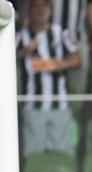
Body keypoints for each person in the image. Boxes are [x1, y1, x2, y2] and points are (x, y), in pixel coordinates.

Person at [17, 0, 81, 156]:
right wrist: (23, 53)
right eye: (35, 6)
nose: (40, 10)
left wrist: (59, 64)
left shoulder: (60, 33)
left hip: (60, 105)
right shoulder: (20, 37)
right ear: (29, 11)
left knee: (63, 156)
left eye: (44, 6)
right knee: (33, 157)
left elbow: (78, 60)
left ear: (50, 10)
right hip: (33, 107)